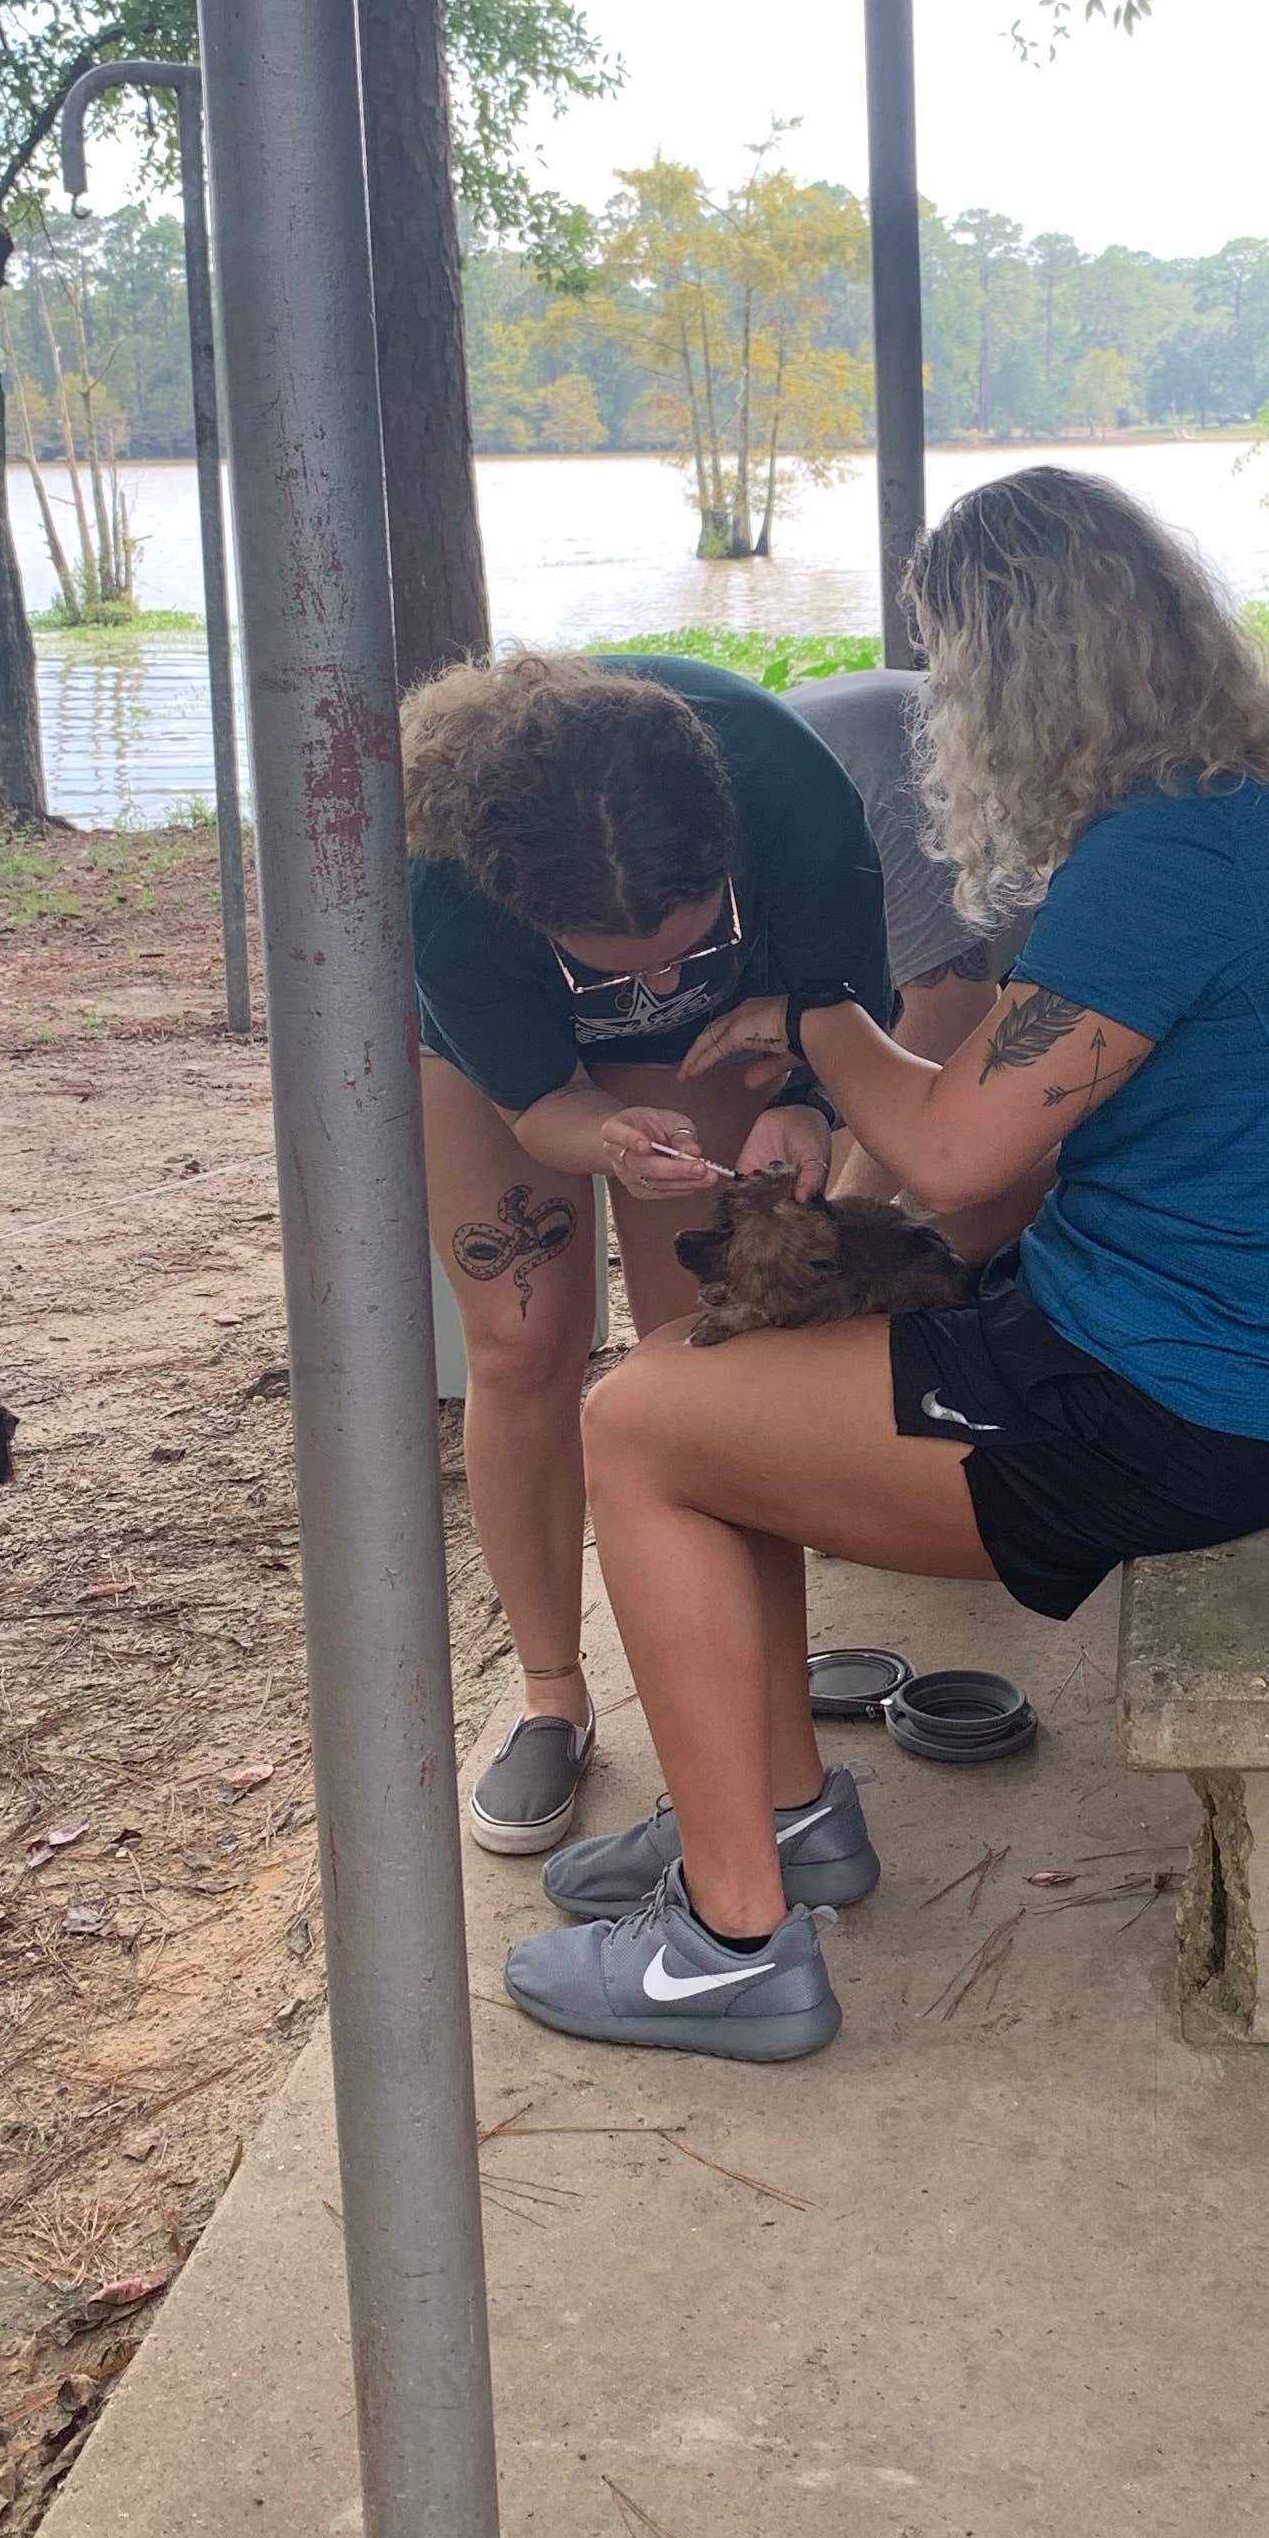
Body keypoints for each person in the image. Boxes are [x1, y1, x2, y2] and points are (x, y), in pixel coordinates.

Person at [504, 464, 1269, 2065]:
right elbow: (997, 1115)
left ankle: (731, 1949)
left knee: (633, 1427)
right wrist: (826, 1107)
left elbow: (956, 1155)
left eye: (953, 665)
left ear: (1021, 671)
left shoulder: (1170, 867)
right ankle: (778, 1827)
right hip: (1183, 1359)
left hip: (1174, 1412)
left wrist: (813, 1025)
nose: (944, 710)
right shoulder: (1219, 834)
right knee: (720, 1387)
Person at [401, 649, 898, 1864]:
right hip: (494, 1071)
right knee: (521, 1345)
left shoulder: (788, 788)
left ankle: (756, 1697)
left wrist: (813, 1111)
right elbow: (537, 1111)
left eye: (687, 942)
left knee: (707, 1368)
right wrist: (604, 1136)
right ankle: (552, 1694)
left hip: (736, 1042)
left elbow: (849, 1022)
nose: (660, 982)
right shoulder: (442, 883)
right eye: (615, 963)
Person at [780, 666, 1030, 1197]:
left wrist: (838, 1235)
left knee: (948, 1189)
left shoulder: (874, 789)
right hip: (875, 775)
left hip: (1054, 899)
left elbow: (951, 1018)